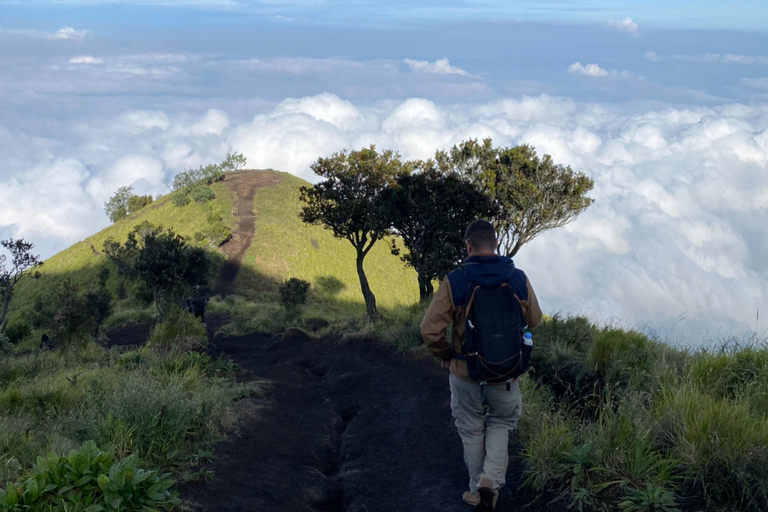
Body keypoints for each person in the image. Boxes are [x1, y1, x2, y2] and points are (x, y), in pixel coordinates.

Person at [420, 219, 542, 511]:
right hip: (507, 372)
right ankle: (491, 481)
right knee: (502, 422)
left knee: (472, 429)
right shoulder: (518, 278)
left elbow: (429, 330)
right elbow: (534, 319)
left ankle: (478, 490)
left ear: (468, 246)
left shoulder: (456, 280)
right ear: (497, 244)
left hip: (466, 373)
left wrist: (447, 355)